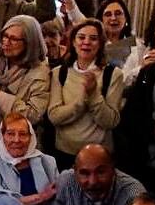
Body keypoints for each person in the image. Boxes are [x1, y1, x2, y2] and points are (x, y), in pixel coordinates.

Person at [47, 18, 125, 167]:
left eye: (93, 38)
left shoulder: (113, 75)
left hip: (100, 154)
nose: (86, 42)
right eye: (81, 37)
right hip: (64, 152)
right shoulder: (60, 73)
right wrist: (83, 100)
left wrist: (94, 95)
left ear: (101, 44)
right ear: (74, 42)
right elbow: (54, 116)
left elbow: (110, 121)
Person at [0, 15, 50, 132]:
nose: (6, 42)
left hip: (19, 137)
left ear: (29, 43)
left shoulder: (40, 72)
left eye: (14, 39)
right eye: (5, 36)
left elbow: (34, 116)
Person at [96, 0, 135, 68]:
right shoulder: (94, 44)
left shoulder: (136, 46)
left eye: (118, 13)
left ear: (126, 18)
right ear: (101, 20)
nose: (113, 18)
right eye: (108, 14)